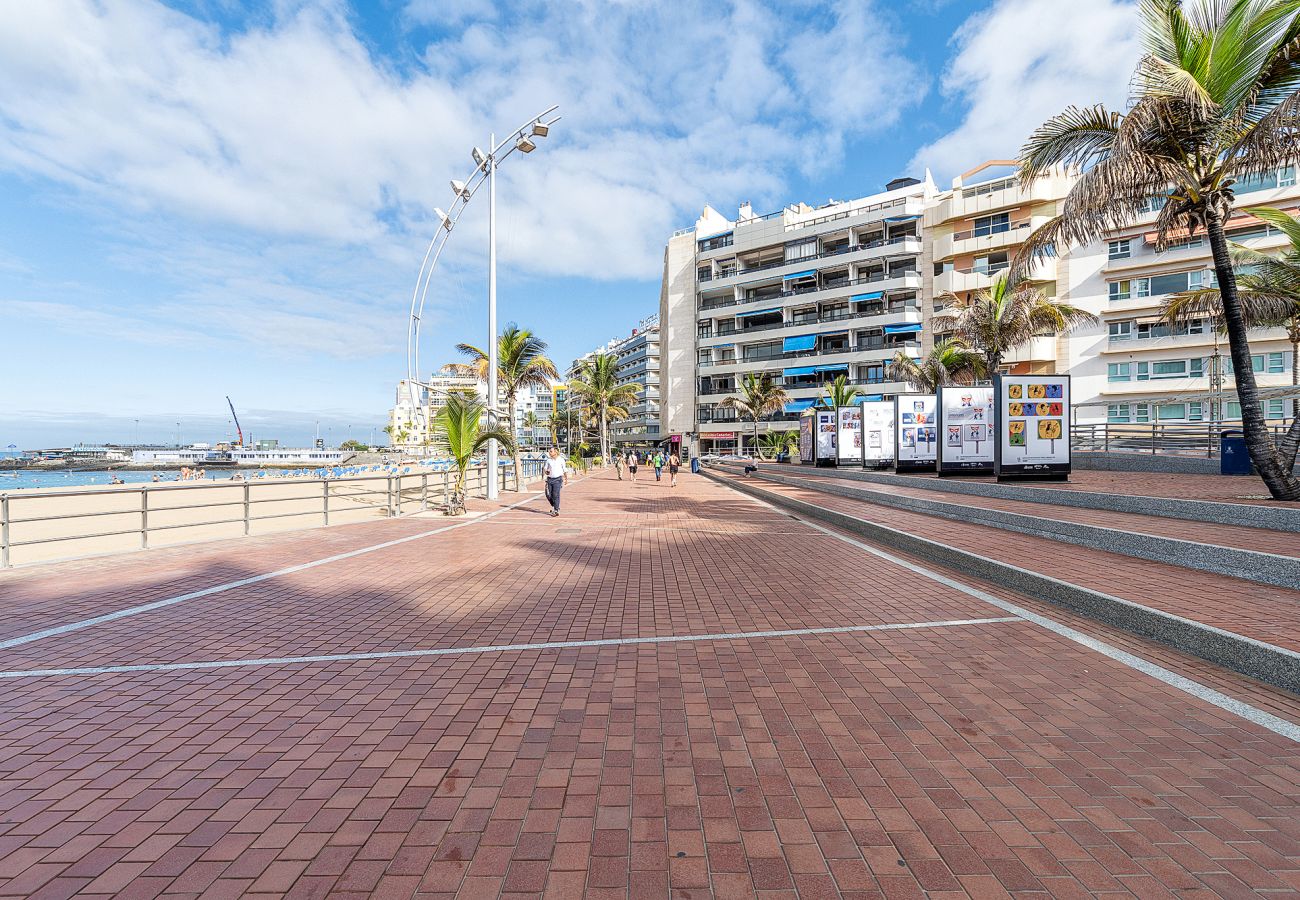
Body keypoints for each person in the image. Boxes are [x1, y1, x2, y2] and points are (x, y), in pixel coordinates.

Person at [543, 447, 568, 517]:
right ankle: (555, 505)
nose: (549, 453)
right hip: (549, 479)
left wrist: (566, 479)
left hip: (558, 479)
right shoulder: (548, 460)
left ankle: (556, 510)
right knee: (548, 495)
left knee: (556, 494)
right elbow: (545, 469)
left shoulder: (561, 460)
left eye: (551, 451)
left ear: (555, 452)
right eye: (549, 451)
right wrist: (546, 472)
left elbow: (564, 469)